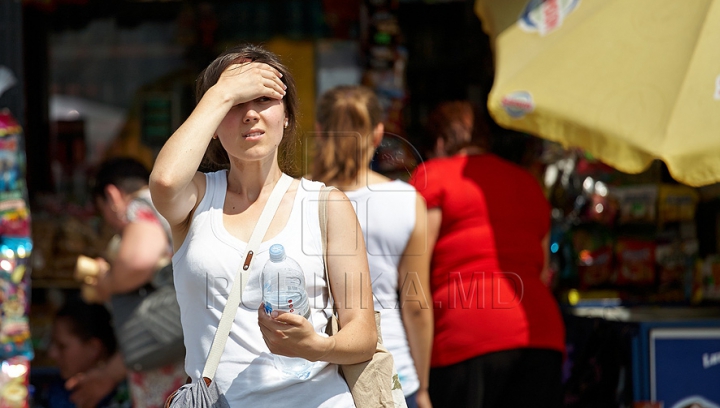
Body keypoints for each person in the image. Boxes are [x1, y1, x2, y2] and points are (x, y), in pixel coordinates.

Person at [148, 44, 377, 406]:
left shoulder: (325, 204)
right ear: (211, 121)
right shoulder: (197, 198)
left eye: (263, 99)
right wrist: (221, 91)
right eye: (235, 104)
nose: (250, 114)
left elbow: (363, 332)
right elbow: (163, 182)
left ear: (287, 116)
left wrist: (317, 346)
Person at [408, 100, 566, 408]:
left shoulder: (434, 176)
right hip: (540, 334)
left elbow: (414, 271)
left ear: (439, 143)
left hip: (467, 336)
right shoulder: (528, 183)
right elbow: (544, 270)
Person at [310, 85, 433, 408]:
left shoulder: (295, 198)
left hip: (316, 373)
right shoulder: (407, 201)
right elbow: (416, 303)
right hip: (391, 370)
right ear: (378, 134)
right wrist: (422, 387)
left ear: (320, 131)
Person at [79, 157, 187, 408]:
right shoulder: (170, 206)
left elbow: (137, 261)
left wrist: (107, 282)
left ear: (112, 195)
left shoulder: (142, 205)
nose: (110, 223)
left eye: (103, 211)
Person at [45, 298, 130, 408]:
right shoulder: (57, 391)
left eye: (62, 346)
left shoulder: (130, 395)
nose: (52, 354)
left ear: (94, 348)